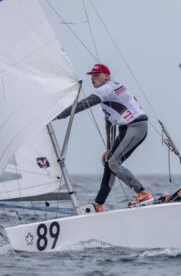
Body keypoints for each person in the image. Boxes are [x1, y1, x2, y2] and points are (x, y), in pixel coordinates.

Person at [57, 63, 152, 211]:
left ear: (106, 76)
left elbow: (83, 104)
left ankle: (143, 192)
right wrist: (108, 148)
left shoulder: (106, 89)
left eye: (97, 75)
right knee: (109, 162)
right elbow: (109, 123)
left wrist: (58, 115)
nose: (93, 79)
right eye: (92, 76)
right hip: (126, 128)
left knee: (114, 163)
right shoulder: (109, 92)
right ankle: (99, 204)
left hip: (136, 126)